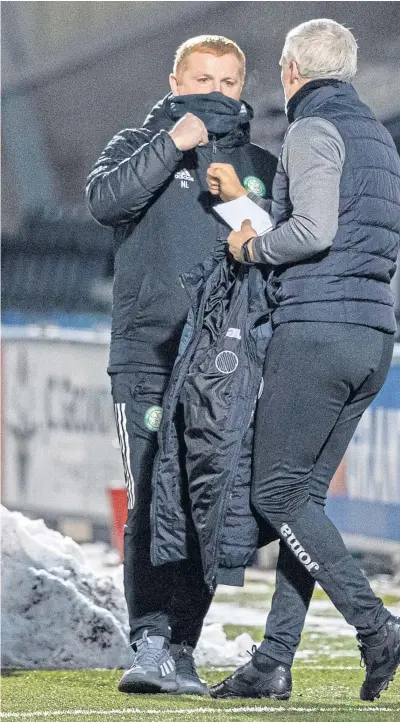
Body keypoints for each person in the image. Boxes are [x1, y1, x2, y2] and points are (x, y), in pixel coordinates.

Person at [207, 19, 400, 702]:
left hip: (317, 331)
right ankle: (273, 660)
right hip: (371, 335)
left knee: (276, 495)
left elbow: (314, 230)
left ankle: (377, 627)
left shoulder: (313, 129)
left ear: (292, 71)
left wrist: (251, 247)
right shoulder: (377, 135)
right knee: (303, 502)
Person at [86, 35, 277, 695]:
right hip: (147, 355)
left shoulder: (258, 163)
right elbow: (105, 202)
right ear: (175, 79)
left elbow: (276, 249)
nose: (216, 91)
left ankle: (182, 648)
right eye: (202, 78)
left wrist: (237, 196)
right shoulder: (135, 142)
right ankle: (149, 645)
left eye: (227, 82)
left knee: (207, 511)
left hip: (223, 366)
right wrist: (174, 143)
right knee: (149, 502)